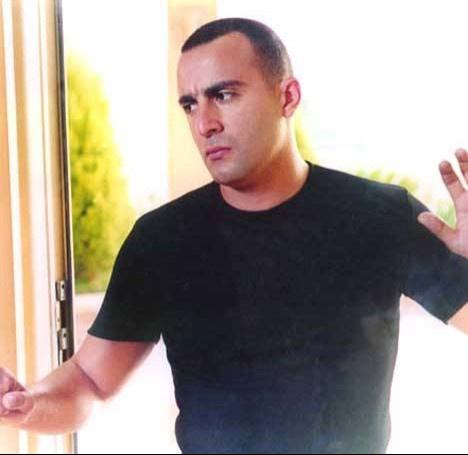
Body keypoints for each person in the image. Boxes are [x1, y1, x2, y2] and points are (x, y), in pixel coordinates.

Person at [1, 17, 468, 454]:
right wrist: (26, 405)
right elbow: (89, 380)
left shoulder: (378, 216)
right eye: (190, 104)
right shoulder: (162, 240)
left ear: (287, 97)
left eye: (223, 95)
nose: (204, 123)